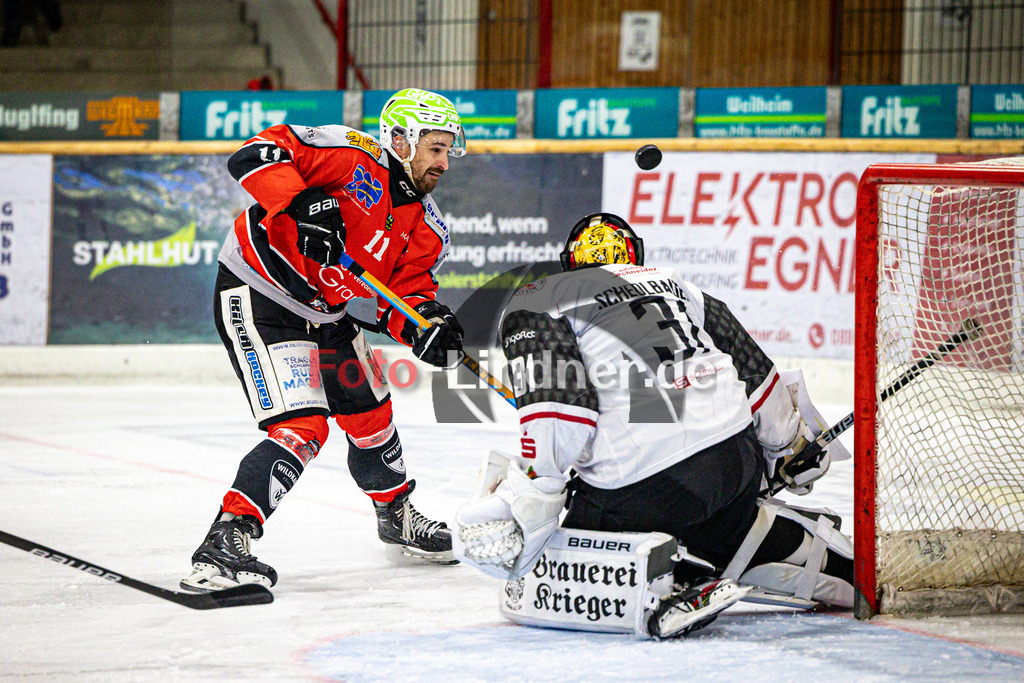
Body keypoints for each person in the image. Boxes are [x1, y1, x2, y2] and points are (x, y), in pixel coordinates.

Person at [453, 213, 854, 638]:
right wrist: (787, 448)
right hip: (737, 463)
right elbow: (757, 377)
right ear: (636, 256)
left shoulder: (538, 298)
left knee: (536, 579)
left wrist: (534, 493)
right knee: (720, 519)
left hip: (644, 487)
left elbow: (561, 414)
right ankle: (792, 544)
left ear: (568, 262)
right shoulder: (681, 287)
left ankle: (672, 578)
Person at [180, 88, 469, 592]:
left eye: (448, 150)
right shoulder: (348, 153)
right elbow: (254, 153)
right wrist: (298, 201)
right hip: (260, 291)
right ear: (400, 139)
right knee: (303, 427)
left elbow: (399, 298)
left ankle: (395, 514)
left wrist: (427, 324)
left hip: (329, 312)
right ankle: (228, 538)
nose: (443, 162)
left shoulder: (430, 227)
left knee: (372, 416)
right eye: (435, 147)